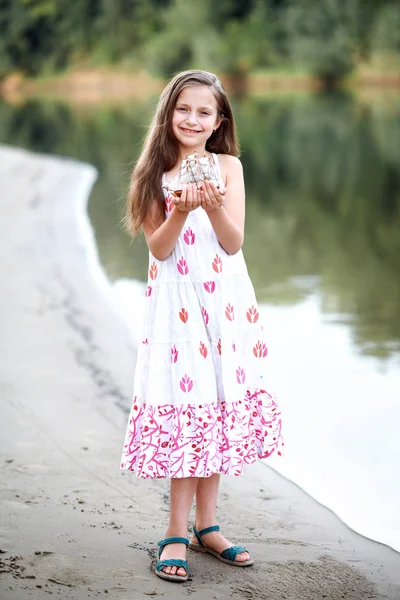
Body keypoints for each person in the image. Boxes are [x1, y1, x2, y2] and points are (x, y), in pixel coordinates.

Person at [120, 69, 284, 582]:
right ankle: (174, 530)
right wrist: (181, 211)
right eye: (183, 109)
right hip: (178, 309)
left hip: (226, 305)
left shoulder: (228, 167)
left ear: (218, 121)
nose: (192, 119)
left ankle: (207, 527)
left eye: (204, 112)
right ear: (168, 114)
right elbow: (160, 248)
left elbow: (233, 243)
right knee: (187, 408)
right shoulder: (153, 172)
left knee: (216, 401)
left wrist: (211, 205)